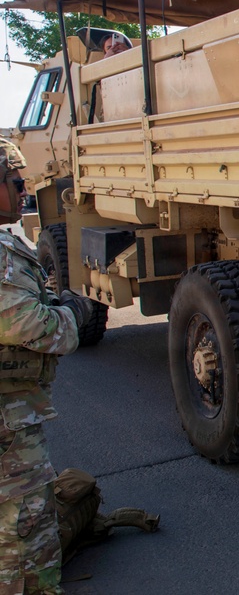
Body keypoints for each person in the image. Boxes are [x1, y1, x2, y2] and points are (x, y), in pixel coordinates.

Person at [0, 139, 93, 595]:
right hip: (7, 428)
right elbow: (31, 326)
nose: (24, 191)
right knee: (26, 539)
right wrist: (73, 314)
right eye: (17, 182)